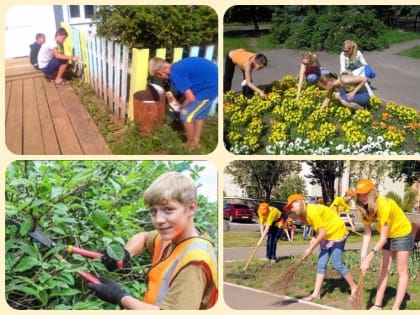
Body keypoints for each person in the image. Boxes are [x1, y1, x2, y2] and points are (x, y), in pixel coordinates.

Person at [88, 172, 218, 309]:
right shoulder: (172, 236)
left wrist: (120, 297)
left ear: (191, 208)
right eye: (153, 211)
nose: (158, 220)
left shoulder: (195, 262)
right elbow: (144, 237)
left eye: (168, 210)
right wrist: (125, 254)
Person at [285, 193, 358, 301]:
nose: (291, 209)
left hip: (338, 233)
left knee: (337, 263)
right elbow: (320, 229)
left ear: (299, 203)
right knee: (321, 263)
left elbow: (322, 233)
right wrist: (314, 238)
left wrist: (311, 248)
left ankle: (354, 287)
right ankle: (316, 293)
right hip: (327, 235)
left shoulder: (312, 211)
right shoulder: (306, 213)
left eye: (292, 206)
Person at [354, 179, 414, 310]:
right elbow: (367, 233)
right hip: (388, 236)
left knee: (401, 270)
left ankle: (396, 308)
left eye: (365, 194)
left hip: (402, 233)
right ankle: (377, 305)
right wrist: (363, 255)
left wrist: (370, 258)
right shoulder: (363, 208)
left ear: (372, 193)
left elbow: (383, 238)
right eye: (359, 194)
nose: (362, 197)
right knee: (383, 269)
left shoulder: (383, 205)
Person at [148, 57, 217, 151]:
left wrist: (180, 108)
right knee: (199, 115)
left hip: (207, 90)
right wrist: (182, 101)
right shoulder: (178, 66)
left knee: (185, 115)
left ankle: (190, 144)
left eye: (159, 77)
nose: (162, 79)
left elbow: (191, 98)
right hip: (212, 84)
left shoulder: (175, 74)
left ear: (160, 73)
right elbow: (189, 91)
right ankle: (196, 142)